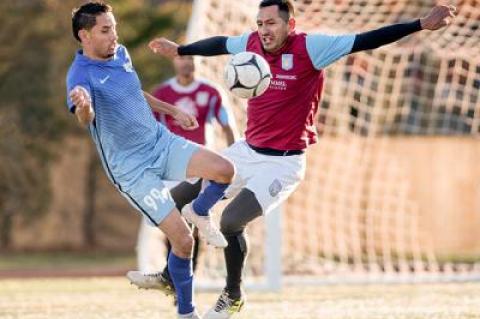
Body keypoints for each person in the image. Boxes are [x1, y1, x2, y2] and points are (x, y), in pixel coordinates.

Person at [130, 1, 456, 318]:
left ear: (291, 24)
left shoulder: (312, 48)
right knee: (177, 198)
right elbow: (220, 43)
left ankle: (232, 296)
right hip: (246, 151)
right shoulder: (251, 43)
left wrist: (419, 24)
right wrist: (182, 50)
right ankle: (173, 276)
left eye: (271, 23)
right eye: (260, 23)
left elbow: (366, 39)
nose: (264, 30)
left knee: (230, 221)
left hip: (283, 163)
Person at [66, 3, 237, 319]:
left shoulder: (121, 54)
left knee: (225, 170)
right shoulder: (80, 76)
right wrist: (85, 106)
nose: (114, 35)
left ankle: (198, 212)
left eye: (114, 27)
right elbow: (84, 115)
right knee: (183, 241)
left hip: (162, 143)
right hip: (132, 170)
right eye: (105, 30)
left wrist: (173, 111)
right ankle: (187, 313)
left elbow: (133, 92)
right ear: (84, 35)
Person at [135, 55, 237, 276]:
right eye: (181, 58)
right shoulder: (162, 94)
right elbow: (147, 129)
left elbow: (228, 127)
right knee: (171, 223)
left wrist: (233, 160)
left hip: (199, 166)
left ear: (197, 61)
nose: (186, 62)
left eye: (190, 57)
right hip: (169, 167)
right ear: (174, 62)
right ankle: (174, 274)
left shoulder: (211, 92)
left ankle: (185, 276)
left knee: (194, 221)